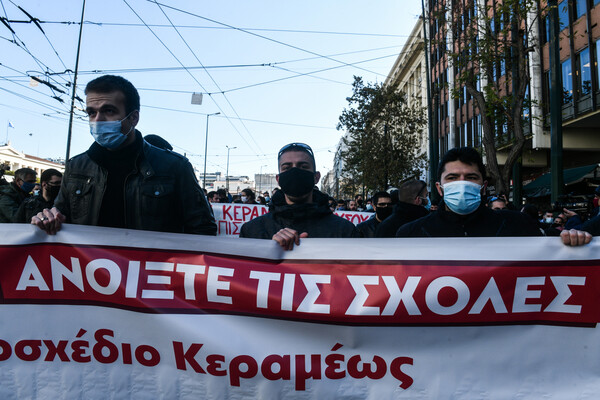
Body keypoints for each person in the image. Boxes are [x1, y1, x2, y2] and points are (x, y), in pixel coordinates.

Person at [32, 74, 216, 235]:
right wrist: (48, 219)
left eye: (108, 111)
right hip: (89, 271)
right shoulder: (76, 167)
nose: (98, 120)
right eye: (91, 112)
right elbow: (61, 217)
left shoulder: (174, 167)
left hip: (151, 272)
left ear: (133, 118)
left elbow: (202, 229)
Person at [396, 147, 591, 246]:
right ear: (440, 188)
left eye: (471, 177)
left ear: (483, 187)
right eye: (453, 178)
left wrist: (573, 240)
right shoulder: (411, 234)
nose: (462, 183)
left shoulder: (518, 225)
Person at [239, 142, 359, 249]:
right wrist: (269, 249)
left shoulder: (344, 231)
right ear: (278, 179)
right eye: (287, 167)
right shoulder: (252, 231)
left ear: (316, 177)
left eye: (303, 167)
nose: (295, 172)